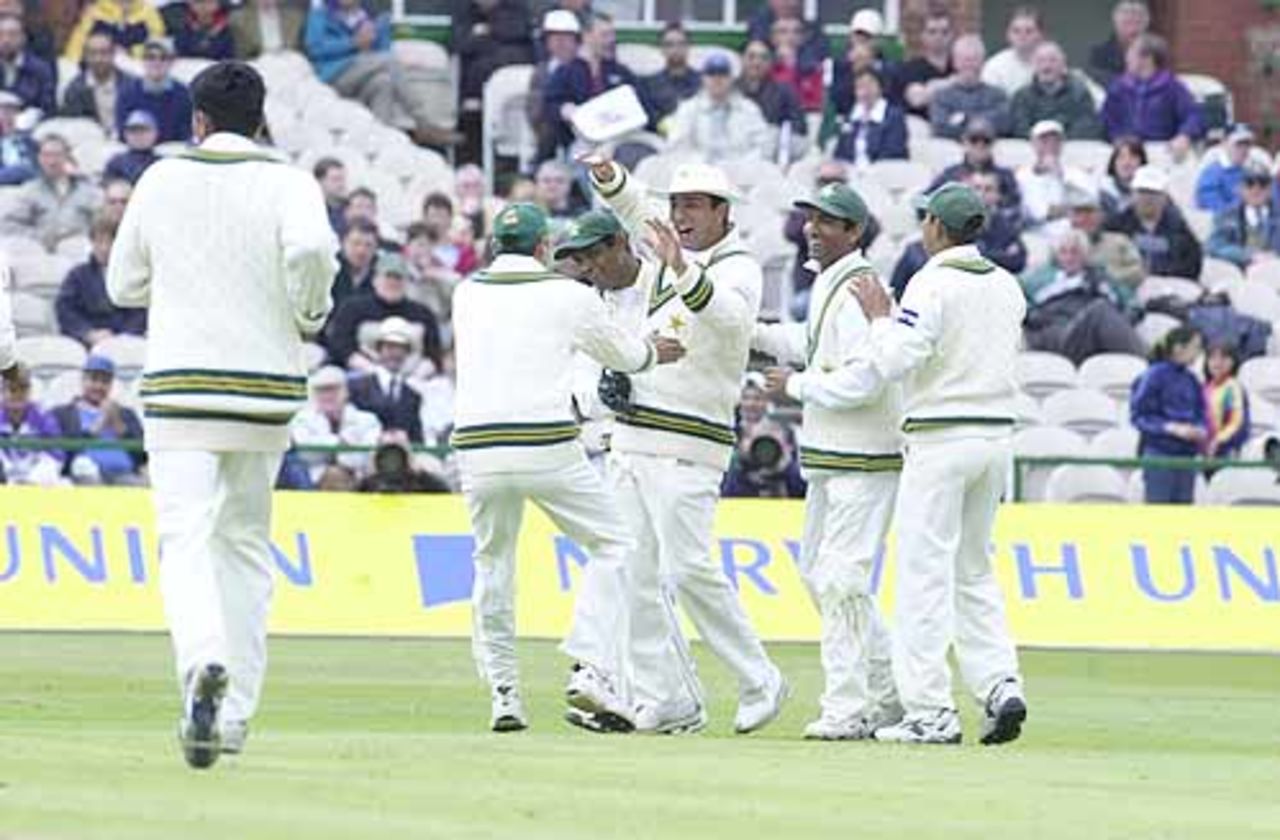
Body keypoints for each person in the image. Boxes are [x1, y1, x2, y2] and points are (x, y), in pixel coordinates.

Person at [105, 61, 339, 768]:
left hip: (180, 388)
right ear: (262, 120)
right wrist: (309, 307)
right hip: (265, 391)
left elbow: (122, 285)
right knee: (244, 548)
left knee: (186, 540)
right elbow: (312, 250)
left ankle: (203, 664)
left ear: (197, 121)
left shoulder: (161, 178)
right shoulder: (290, 181)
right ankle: (233, 715)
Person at [452, 202, 681, 733]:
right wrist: (653, 354)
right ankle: (591, 663)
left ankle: (504, 695)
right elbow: (623, 355)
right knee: (616, 545)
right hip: (545, 442)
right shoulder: (568, 294)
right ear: (541, 249)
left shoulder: (466, 292)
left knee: (492, 565)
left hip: (477, 447)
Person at [580, 152, 789, 735]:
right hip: (633, 435)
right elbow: (638, 208)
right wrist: (608, 178)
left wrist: (683, 270)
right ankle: (664, 697)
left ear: (724, 212)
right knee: (637, 574)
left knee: (690, 567)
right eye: (678, 206)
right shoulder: (674, 243)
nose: (682, 216)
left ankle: (760, 679)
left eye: (695, 206)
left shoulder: (740, 266)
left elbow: (731, 323)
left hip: (690, 443)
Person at [845, 182, 1028, 745]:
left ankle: (930, 710)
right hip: (995, 441)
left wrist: (879, 318)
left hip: (941, 437)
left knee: (923, 575)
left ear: (936, 228)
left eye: (925, 219)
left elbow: (898, 358)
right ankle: (999, 682)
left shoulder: (932, 281)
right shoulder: (1006, 283)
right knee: (973, 569)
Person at [750, 182, 903, 740]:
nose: (814, 228)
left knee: (841, 580)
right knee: (821, 576)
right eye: (812, 219)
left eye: (829, 221)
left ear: (855, 232)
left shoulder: (863, 286)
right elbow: (816, 343)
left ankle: (846, 707)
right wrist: (761, 337)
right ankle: (890, 693)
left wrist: (797, 385)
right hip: (832, 459)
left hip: (864, 458)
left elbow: (867, 377)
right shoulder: (830, 284)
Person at [304, 0, 459, 148]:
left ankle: (379, 141)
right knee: (390, 61)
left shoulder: (367, 16)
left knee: (384, 83)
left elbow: (383, 50)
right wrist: (353, 43)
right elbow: (315, 49)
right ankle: (424, 122)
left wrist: (376, 36)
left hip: (365, 74)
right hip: (335, 75)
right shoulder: (321, 15)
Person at [890, 170, 1027, 299]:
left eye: (988, 189)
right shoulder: (915, 253)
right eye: (977, 188)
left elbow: (1018, 260)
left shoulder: (1004, 226)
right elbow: (896, 293)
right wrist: (991, 255)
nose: (981, 194)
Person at [1020, 228, 1144, 364]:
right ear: (1056, 255)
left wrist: (1125, 318)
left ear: (1085, 255)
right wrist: (1035, 317)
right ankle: (1147, 367)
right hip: (1060, 336)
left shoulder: (1102, 279)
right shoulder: (1039, 279)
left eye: (1075, 252)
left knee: (1102, 312)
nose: (1069, 258)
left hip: (1097, 335)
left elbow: (1133, 303)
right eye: (1063, 252)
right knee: (1100, 310)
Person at [541, 12, 641, 162]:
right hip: (584, 142)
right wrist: (563, 109)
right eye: (605, 35)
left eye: (612, 35)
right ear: (587, 36)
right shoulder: (566, 71)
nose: (611, 40)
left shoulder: (621, 72)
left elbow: (644, 102)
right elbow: (549, 105)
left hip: (622, 138)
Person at [323, 253, 441, 373]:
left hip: (414, 378)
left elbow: (433, 354)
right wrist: (374, 372)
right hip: (361, 376)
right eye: (388, 277)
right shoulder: (352, 308)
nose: (393, 282)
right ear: (375, 280)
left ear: (407, 282)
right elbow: (340, 346)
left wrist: (415, 377)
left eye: (398, 278)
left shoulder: (423, 314)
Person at [1130, 326, 1206, 504]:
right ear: (1179, 348)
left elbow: (1200, 412)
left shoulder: (1192, 379)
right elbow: (1139, 416)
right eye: (1195, 347)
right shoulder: (1153, 375)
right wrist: (1170, 428)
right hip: (1160, 454)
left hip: (1186, 456)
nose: (1198, 353)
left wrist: (1200, 429)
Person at [451, 0, 534, 163]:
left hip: (514, 94)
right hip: (474, 95)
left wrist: (488, 31)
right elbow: (460, 44)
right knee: (471, 121)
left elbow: (518, 33)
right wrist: (491, 36)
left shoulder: (516, 8)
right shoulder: (464, 11)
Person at [1101, 33, 1201, 158]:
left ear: (1147, 58)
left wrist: (1184, 136)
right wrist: (1115, 137)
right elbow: (1107, 118)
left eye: (1131, 53)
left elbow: (1192, 115)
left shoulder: (1172, 87)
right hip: (1124, 153)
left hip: (1162, 153)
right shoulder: (1119, 87)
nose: (1126, 58)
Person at [52, 354, 146, 486]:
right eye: (93, 380)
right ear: (83, 380)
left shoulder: (126, 414)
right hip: (84, 477)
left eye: (105, 382)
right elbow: (62, 454)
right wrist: (96, 427)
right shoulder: (62, 413)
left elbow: (143, 457)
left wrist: (118, 425)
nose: (98, 386)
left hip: (125, 477)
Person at [56, 214, 146, 347]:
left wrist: (119, 337)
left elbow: (140, 313)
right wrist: (88, 333)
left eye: (109, 242)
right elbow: (65, 310)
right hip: (85, 342)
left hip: (125, 342)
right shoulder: (77, 275)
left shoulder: (133, 276)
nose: (104, 248)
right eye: (99, 242)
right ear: (92, 243)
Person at [3, 134, 101, 252]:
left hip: (80, 250)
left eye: (57, 155)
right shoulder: (29, 191)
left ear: (67, 157)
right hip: (42, 253)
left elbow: (103, 222)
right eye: (46, 155)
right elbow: (8, 225)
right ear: (39, 158)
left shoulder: (88, 191)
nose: (52, 162)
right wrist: (39, 237)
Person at [668, 54, 771, 164]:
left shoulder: (749, 109)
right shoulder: (688, 109)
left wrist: (742, 165)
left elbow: (764, 147)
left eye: (723, 74)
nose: (717, 79)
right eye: (711, 74)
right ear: (703, 78)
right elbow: (677, 148)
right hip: (699, 173)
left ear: (732, 78)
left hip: (742, 172)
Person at [1105, 165, 1203, 280]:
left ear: (1165, 197)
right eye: (1142, 192)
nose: (1148, 199)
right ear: (1132, 194)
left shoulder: (1180, 229)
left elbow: (1191, 266)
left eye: (1154, 193)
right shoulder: (1115, 225)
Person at [291, 364, 382, 485]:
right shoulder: (302, 419)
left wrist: (333, 453)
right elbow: (307, 454)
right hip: (314, 485)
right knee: (334, 474)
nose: (327, 396)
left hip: (363, 483)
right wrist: (340, 442)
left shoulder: (368, 420)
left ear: (346, 391)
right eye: (321, 391)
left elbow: (366, 458)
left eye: (333, 389)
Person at [719, 375, 804, 499]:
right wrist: (741, 458)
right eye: (746, 398)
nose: (751, 404)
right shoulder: (728, 433)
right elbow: (724, 487)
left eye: (758, 398)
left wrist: (785, 464)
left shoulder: (787, 433)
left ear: (767, 402)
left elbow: (801, 487)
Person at [346, 316, 426, 443]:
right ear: (379, 349)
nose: (395, 354)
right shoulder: (357, 387)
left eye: (401, 348)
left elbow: (418, 439)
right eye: (389, 347)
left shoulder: (413, 396)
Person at [1010, 41, 1103, 141]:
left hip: (1072, 147)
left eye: (1053, 60)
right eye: (1040, 61)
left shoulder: (1079, 93)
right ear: (1033, 65)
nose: (1046, 66)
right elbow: (1019, 128)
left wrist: (1058, 141)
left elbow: (1086, 125)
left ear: (1063, 64)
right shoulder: (1022, 96)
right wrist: (1043, 141)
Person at [929, 117, 1021, 212]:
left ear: (993, 144)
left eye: (986, 140)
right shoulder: (950, 174)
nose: (980, 145)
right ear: (964, 142)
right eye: (974, 139)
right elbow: (927, 199)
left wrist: (998, 199)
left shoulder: (1005, 175)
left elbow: (1016, 206)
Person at [735, 39, 805, 165]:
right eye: (751, 57)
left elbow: (798, 128)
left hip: (770, 157)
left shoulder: (785, 92)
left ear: (772, 62)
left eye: (763, 58)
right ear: (741, 58)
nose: (756, 62)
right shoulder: (730, 90)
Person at [114, 38, 194, 145]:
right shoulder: (127, 93)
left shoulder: (184, 94)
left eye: (163, 58)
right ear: (143, 61)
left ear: (172, 62)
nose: (157, 62)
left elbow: (187, 133)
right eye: (150, 57)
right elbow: (122, 132)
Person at [1016, 120, 1090, 233]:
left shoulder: (1076, 174)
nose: (1051, 145)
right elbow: (1032, 212)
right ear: (1033, 144)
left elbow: (1086, 204)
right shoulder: (1021, 176)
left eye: (1055, 140)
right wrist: (1058, 211)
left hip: (1071, 235)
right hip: (1034, 234)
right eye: (1044, 140)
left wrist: (1060, 176)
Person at [931, 34, 1010, 140]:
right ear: (954, 62)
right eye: (964, 59)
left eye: (974, 59)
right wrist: (981, 123)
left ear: (983, 62)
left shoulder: (997, 96)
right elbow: (939, 128)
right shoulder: (941, 96)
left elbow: (1003, 126)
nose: (968, 64)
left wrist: (963, 119)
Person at [527, 9, 580, 164]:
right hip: (550, 129)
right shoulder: (541, 72)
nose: (560, 43)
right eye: (554, 38)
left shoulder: (585, 68)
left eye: (566, 37)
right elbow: (533, 110)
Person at [1066, 187, 1145, 290]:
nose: (1084, 219)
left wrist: (1105, 277)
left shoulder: (1119, 241)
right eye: (1078, 214)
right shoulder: (1062, 245)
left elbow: (1138, 272)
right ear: (1070, 218)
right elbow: (1048, 275)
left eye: (1090, 213)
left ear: (1101, 216)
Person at [1207, 163, 1280, 269]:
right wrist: (1248, 256)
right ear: (1240, 188)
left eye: (1263, 184)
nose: (1256, 190)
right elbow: (1214, 246)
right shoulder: (1227, 215)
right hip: (1237, 273)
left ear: (1270, 189)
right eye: (1250, 184)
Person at [60, 30, 136, 131]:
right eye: (93, 53)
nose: (98, 59)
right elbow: (73, 126)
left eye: (103, 53)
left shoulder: (131, 85)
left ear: (113, 54)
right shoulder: (75, 90)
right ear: (85, 57)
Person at [0, 363, 62, 485]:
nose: (18, 394)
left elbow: (56, 455)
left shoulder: (43, 417)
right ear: (2, 391)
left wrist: (33, 479)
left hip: (35, 482)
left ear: (29, 391)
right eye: (12, 389)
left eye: (23, 388)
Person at [832, 68, 908, 167]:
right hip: (851, 172)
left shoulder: (894, 116)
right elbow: (840, 152)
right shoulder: (851, 116)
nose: (865, 91)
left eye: (869, 85)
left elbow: (894, 152)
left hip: (883, 172)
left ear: (880, 88)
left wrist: (869, 170)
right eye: (860, 86)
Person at [63, 0, 166, 62]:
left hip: (138, 69)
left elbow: (159, 45)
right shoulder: (94, 12)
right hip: (100, 68)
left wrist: (131, 52)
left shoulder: (149, 12)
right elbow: (76, 47)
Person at [896, 8, 953, 117]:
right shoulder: (911, 68)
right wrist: (955, 83)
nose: (938, 37)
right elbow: (917, 99)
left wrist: (931, 89)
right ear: (923, 35)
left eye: (944, 32)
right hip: (922, 126)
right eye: (932, 32)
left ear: (952, 35)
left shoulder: (958, 66)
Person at [746, 0, 826, 76]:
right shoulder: (760, 25)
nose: (791, 3)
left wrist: (794, 59)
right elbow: (757, 54)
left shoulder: (812, 28)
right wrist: (778, 58)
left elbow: (817, 58)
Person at [642, 22, 700, 126]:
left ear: (688, 47)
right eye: (669, 44)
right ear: (662, 49)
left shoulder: (703, 83)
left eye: (681, 44)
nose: (675, 49)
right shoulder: (649, 85)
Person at [1197, 125, 1263, 214]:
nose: (1244, 149)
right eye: (1239, 144)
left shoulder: (1255, 169)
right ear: (1224, 143)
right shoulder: (1211, 175)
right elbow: (1215, 211)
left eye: (1247, 144)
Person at [981, 6, 1043, 97]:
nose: (1022, 36)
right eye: (1016, 31)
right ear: (1008, 35)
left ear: (1040, 34)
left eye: (1029, 31)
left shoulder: (1052, 63)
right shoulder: (994, 67)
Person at [0, 12, 54, 115]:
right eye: (1, 35)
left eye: (12, 35)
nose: (6, 40)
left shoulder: (40, 69)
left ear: (23, 38)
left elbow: (47, 106)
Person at [1203, 344, 1250, 462]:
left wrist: (1218, 441)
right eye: (1212, 358)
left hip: (1225, 451)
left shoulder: (1234, 387)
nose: (1217, 363)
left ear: (1233, 362)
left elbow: (1236, 422)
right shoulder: (1204, 387)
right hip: (1202, 449)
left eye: (1223, 358)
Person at [1088, 0, 1150, 88]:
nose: (1132, 29)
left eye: (1138, 23)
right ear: (1116, 23)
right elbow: (1099, 81)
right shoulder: (1099, 52)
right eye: (1127, 23)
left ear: (1145, 25)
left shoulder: (1155, 52)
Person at [769, 15, 822, 113]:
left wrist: (790, 65)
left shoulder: (814, 69)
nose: (790, 36)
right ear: (773, 38)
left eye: (796, 32)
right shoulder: (766, 67)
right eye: (783, 32)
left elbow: (814, 103)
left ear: (802, 38)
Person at [230, 0, 309, 59]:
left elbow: (304, 50)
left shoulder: (297, 16)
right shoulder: (239, 19)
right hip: (259, 63)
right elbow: (242, 55)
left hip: (291, 63)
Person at [104, 110, 160, 184]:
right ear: (125, 134)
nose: (139, 135)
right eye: (133, 131)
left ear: (155, 133)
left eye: (143, 131)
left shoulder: (163, 163)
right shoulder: (116, 163)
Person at [1099, 135, 1147, 220]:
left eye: (1133, 157)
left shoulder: (1153, 189)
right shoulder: (1104, 190)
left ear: (1141, 161)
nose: (1126, 162)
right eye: (1121, 157)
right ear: (1113, 162)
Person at [0, 89, 34, 185]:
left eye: (13, 112)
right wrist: (21, 171)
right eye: (5, 113)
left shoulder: (27, 140)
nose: (9, 118)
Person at [313, 157, 348, 234]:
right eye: (336, 179)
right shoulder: (309, 210)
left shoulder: (351, 209)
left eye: (343, 179)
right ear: (319, 182)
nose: (341, 184)